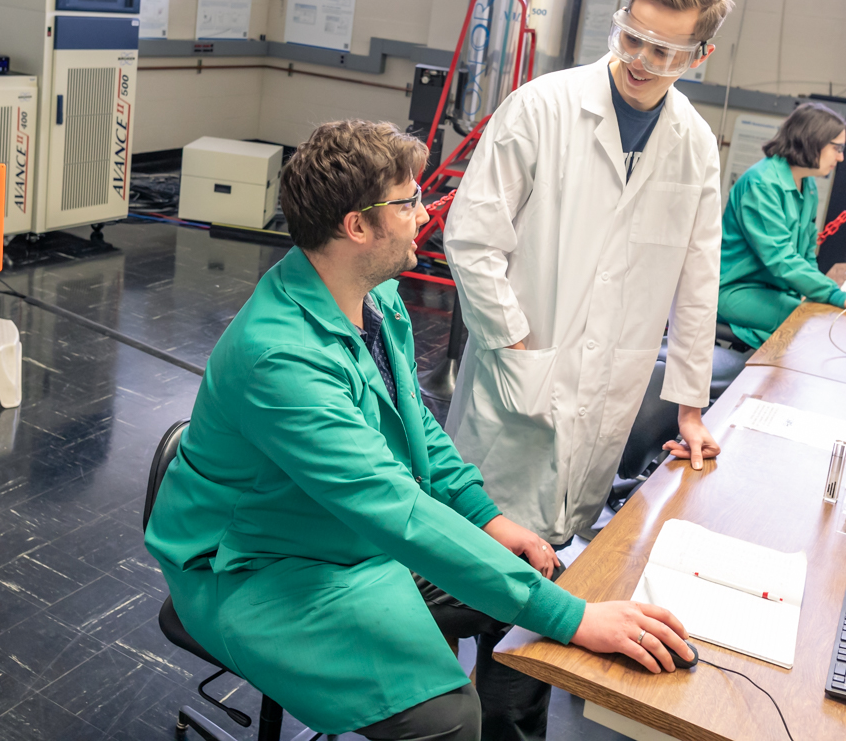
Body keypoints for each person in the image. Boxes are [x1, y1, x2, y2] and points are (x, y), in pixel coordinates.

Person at [145, 120, 693, 741]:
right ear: (357, 226)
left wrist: (488, 519)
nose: (424, 212)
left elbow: (418, 433)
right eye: (408, 203)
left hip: (340, 533)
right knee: (448, 719)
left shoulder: (373, 299)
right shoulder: (280, 358)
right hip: (256, 568)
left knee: (538, 576)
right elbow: (394, 509)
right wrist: (574, 621)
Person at [444, 0, 732, 550]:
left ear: (699, 56)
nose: (640, 62)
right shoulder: (540, 108)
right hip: (518, 371)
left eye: (665, 53)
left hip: (608, 386)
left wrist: (690, 408)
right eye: (632, 38)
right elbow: (473, 238)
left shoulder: (695, 145)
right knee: (473, 552)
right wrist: (514, 343)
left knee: (562, 540)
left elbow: (698, 278)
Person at [718, 102, 846, 348]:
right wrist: (836, 295)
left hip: (773, 290)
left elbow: (806, 254)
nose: (841, 157)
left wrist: (821, 294)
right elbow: (781, 258)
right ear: (812, 141)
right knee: (811, 321)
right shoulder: (762, 184)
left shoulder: (806, 184)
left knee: (822, 312)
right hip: (734, 290)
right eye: (837, 148)